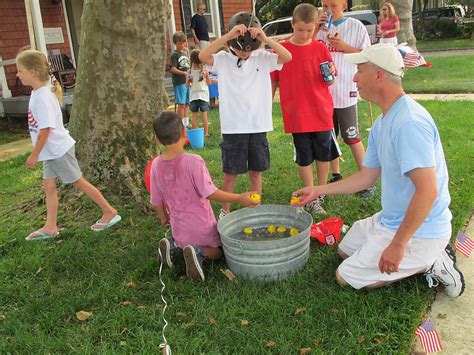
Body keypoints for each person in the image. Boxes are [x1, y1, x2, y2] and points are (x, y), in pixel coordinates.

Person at [293, 43, 465, 298]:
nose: (354, 78)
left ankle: (432, 260)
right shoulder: (384, 120)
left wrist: (397, 245)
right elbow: (367, 176)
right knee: (344, 251)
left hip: (423, 229)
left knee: (346, 277)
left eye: (359, 70)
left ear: (379, 75)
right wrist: (318, 189)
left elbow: (428, 192)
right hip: (391, 219)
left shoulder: (409, 123)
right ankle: (406, 250)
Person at [16, 50, 121, 240]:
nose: (17, 74)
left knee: (78, 181)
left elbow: (45, 130)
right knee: (49, 186)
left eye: (20, 70)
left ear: (32, 72)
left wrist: (34, 155)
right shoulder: (38, 93)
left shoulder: (42, 97)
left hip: (57, 151)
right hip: (50, 152)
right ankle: (50, 226)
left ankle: (109, 211)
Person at [199, 12, 292, 219]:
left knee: (256, 172)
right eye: (239, 48)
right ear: (232, 42)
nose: (243, 53)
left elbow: (287, 57)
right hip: (234, 127)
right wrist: (226, 36)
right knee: (231, 173)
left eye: (248, 49)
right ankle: (225, 211)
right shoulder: (223, 59)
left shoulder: (262, 57)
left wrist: (266, 39)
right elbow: (202, 57)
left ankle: (254, 208)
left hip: (258, 125)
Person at [151, 111, 260, 281]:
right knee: (219, 250)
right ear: (184, 133)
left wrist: (163, 218)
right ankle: (198, 252)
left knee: (182, 241)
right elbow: (210, 192)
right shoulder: (193, 162)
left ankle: (173, 245)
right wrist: (240, 198)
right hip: (202, 227)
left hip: (178, 229)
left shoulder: (156, 165)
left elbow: (156, 200)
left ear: (157, 139)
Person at [271, 3, 340, 215]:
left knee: (323, 154)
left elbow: (330, 79)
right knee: (304, 155)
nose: (305, 34)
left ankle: (319, 192)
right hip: (297, 114)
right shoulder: (282, 50)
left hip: (321, 110)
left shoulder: (320, 47)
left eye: (309, 30)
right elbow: (273, 80)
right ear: (293, 24)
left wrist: (332, 72)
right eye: (300, 30)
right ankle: (309, 193)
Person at [315, 0, 374, 199]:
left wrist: (343, 46)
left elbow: (367, 55)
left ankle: (367, 181)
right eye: (324, 5)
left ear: (344, 6)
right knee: (329, 138)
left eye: (333, 5)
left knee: (352, 136)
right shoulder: (319, 28)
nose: (328, 10)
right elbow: (306, 47)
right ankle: (336, 175)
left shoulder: (355, 27)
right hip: (323, 93)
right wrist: (316, 28)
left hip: (346, 89)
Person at [187, 49, 212, 136]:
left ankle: (195, 133)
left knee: (194, 115)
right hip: (203, 95)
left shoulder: (189, 71)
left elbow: (187, 84)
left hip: (193, 96)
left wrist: (193, 86)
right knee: (204, 115)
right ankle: (206, 133)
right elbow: (209, 83)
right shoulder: (204, 71)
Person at [170, 31, 191, 127]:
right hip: (179, 82)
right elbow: (173, 69)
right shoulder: (174, 55)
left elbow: (188, 65)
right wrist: (184, 73)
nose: (182, 45)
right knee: (181, 104)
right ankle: (180, 124)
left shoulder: (186, 51)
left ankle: (186, 123)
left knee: (187, 103)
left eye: (183, 42)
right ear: (175, 43)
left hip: (187, 81)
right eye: (179, 43)